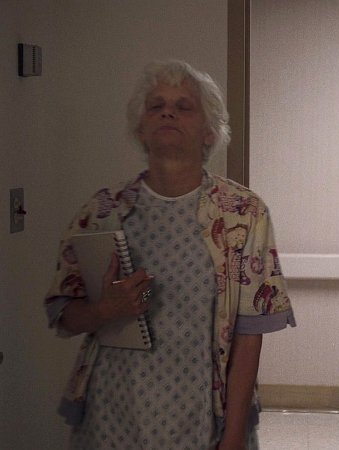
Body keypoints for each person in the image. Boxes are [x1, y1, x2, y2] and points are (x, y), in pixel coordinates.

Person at [44, 59, 296, 450]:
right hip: (111, 413)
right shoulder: (103, 211)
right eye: (156, 105)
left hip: (202, 417)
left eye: (183, 106)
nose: (167, 112)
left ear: (209, 132)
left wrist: (232, 437)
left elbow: (249, 338)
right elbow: (64, 315)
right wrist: (105, 309)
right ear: (140, 129)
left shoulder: (243, 214)